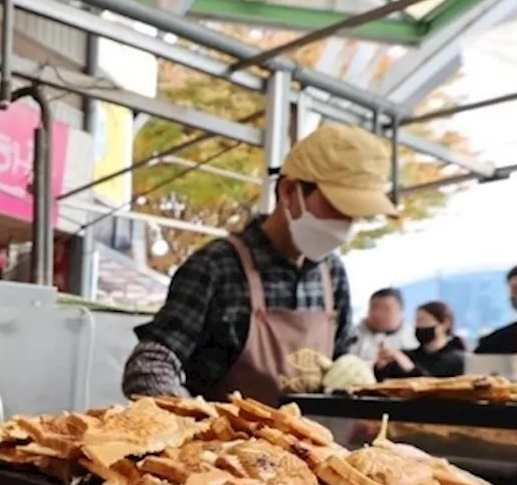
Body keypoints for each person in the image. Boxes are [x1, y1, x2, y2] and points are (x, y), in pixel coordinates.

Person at [122, 123, 398, 405]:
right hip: (225, 446)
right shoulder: (217, 266)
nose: (346, 225)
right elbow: (151, 362)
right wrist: (189, 417)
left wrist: (353, 367)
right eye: (338, 208)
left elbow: (341, 353)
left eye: (356, 215)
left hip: (310, 445)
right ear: (289, 191)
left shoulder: (332, 273)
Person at [374, 301, 466, 379]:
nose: (419, 326)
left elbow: (432, 387)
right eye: (417, 321)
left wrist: (410, 368)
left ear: (444, 324)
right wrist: (382, 367)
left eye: (423, 321)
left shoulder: (458, 360)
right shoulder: (410, 356)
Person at [351, 287, 416, 364]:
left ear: (401, 311)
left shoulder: (413, 338)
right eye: (374, 308)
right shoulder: (351, 336)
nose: (378, 314)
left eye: (386, 309)